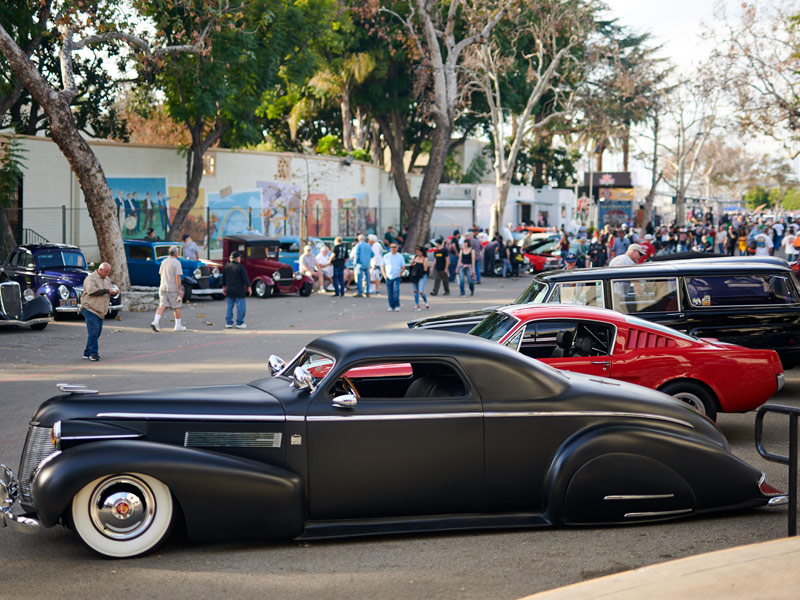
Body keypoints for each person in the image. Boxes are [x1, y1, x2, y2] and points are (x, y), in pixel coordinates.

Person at [79, 262, 119, 361]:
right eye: (105, 272)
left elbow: (108, 291)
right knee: (94, 331)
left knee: (97, 333)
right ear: (100, 270)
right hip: (90, 308)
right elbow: (92, 291)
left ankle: (86, 352)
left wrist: (114, 293)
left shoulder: (107, 279)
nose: (107, 274)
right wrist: (107, 291)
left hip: (101, 310)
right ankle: (94, 354)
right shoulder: (91, 278)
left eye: (108, 272)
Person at [151, 245, 186, 332]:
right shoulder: (177, 263)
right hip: (172, 288)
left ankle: (155, 321)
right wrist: (180, 289)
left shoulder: (164, 262)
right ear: (176, 254)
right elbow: (178, 277)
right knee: (177, 306)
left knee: (162, 305)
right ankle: (178, 325)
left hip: (163, 287)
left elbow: (160, 274)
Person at [222, 250, 251, 328]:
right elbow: (245, 279)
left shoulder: (226, 266)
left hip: (229, 290)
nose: (240, 258)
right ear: (237, 258)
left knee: (229, 307)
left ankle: (229, 322)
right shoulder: (240, 268)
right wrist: (249, 287)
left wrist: (224, 287)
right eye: (239, 257)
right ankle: (239, 323)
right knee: (241, 308)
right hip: (239, 291)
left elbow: (223, 278)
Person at [381, 241, 405, 311]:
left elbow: (403, 266)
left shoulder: (400, 256)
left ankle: (397, 305)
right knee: (390, 292)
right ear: (389, 248)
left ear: (397, 248)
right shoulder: (386, 256)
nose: (393, 248)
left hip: (396, 276)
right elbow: (382, 265)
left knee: (396, 291)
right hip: (388, 276)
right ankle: (391, 305)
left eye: (395, 247)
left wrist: (400, 274)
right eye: (392, 247)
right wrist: (384, 275)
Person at [409, 246, 430, 310]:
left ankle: (426, 302)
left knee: (421, 291)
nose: (418, 253)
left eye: (419, 252)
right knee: (415, 291)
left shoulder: (425, 259)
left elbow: (425, 269)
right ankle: (417, 304)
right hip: (415, 276)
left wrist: (418, 266)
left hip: (422, 275)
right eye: (417, 252)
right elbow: (413, 265)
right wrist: (413, 264)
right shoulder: (415, 257)